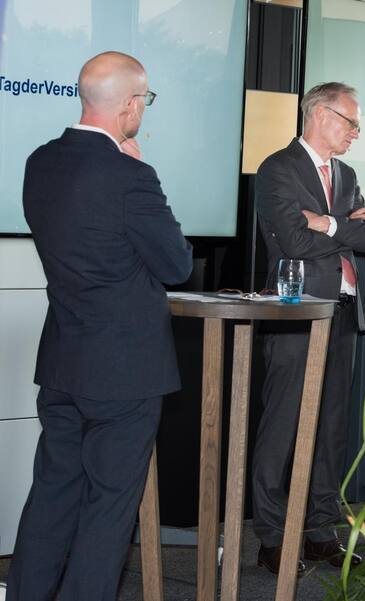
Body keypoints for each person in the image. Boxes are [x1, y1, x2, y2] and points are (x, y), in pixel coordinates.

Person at [7, 51, 193, 600]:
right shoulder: (129, 175)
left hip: (63, 364)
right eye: (146, 100)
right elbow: (176, 264)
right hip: (125, 374)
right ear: (130, 105)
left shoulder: (39, 162)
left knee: (52, 497)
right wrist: (140, 171)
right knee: (108, 511)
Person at [253, 82, 365, 574]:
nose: (356, 132)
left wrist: (324, 224)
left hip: (343, 313)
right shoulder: (278, 168)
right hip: (295, 313)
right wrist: (342, 225)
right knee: (282, 426)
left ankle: (320, 531)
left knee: (331, 430)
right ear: (320, 114)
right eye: (350, 121)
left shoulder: (345, 174)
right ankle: (271, 536)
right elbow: (290, 241)